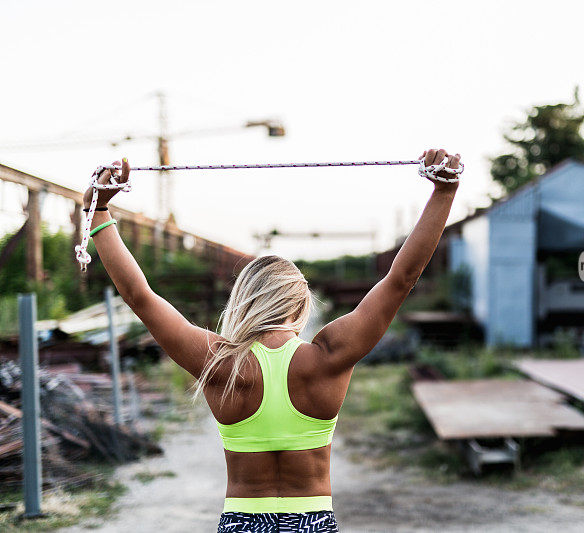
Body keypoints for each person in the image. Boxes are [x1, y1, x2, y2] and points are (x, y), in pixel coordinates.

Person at [85, 148, 461, 532]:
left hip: (242, 522)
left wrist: (99, 213)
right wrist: (444, 194)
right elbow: (400, 280)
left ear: (241, 301)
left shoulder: (220, 361)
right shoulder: (328, 356)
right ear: (301, 306)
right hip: (312, 522)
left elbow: (139, 295)